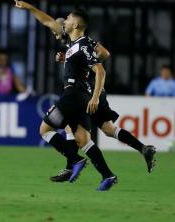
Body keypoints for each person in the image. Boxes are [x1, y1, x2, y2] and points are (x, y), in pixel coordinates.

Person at [14, 0, 117, 191]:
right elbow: (47, 21)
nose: (64, 21)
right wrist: (28, 6)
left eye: (68, 18)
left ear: (75, 24)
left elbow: (101, 67)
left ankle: (74, 161)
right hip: (79, 96)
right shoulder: (73, 44)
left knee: (45, 130)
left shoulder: (83, 44)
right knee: (81, 139)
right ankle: (108, 175)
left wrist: (95, 96)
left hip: (74, 95)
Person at [50, 37, 156, 183]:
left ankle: (73, 166)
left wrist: (32, 11)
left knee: (73, 129)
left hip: (89, 91)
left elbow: (104, 54)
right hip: (93, 90)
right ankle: (143, 148)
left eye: (58, 32)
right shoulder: (73, 46)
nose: (57, 36)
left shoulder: (83, 42)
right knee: (108, 129)